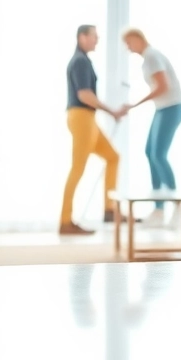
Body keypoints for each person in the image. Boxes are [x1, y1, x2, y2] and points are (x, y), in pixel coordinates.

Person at [61, 25, 130, 234]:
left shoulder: (84, 60)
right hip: (81, 117)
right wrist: (112, 111)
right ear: (82, 37)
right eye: (94, 36)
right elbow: (84, 95)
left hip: (88, 118)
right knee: (78, 168)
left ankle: (109, 210)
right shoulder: (80, 61)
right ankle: (65, 221)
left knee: (113, 157)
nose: (97, 40)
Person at [122, 27, 181, 225]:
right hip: (163, 108)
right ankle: (158, 210)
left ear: (138, 38)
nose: (128, 47)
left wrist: (135, 104)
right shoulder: (148, 59)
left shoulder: (152, 56)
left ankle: (178, 206)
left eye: (129, 42)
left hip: (171, 107)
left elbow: (163, 86)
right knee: (150, 152)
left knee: (158, 155)